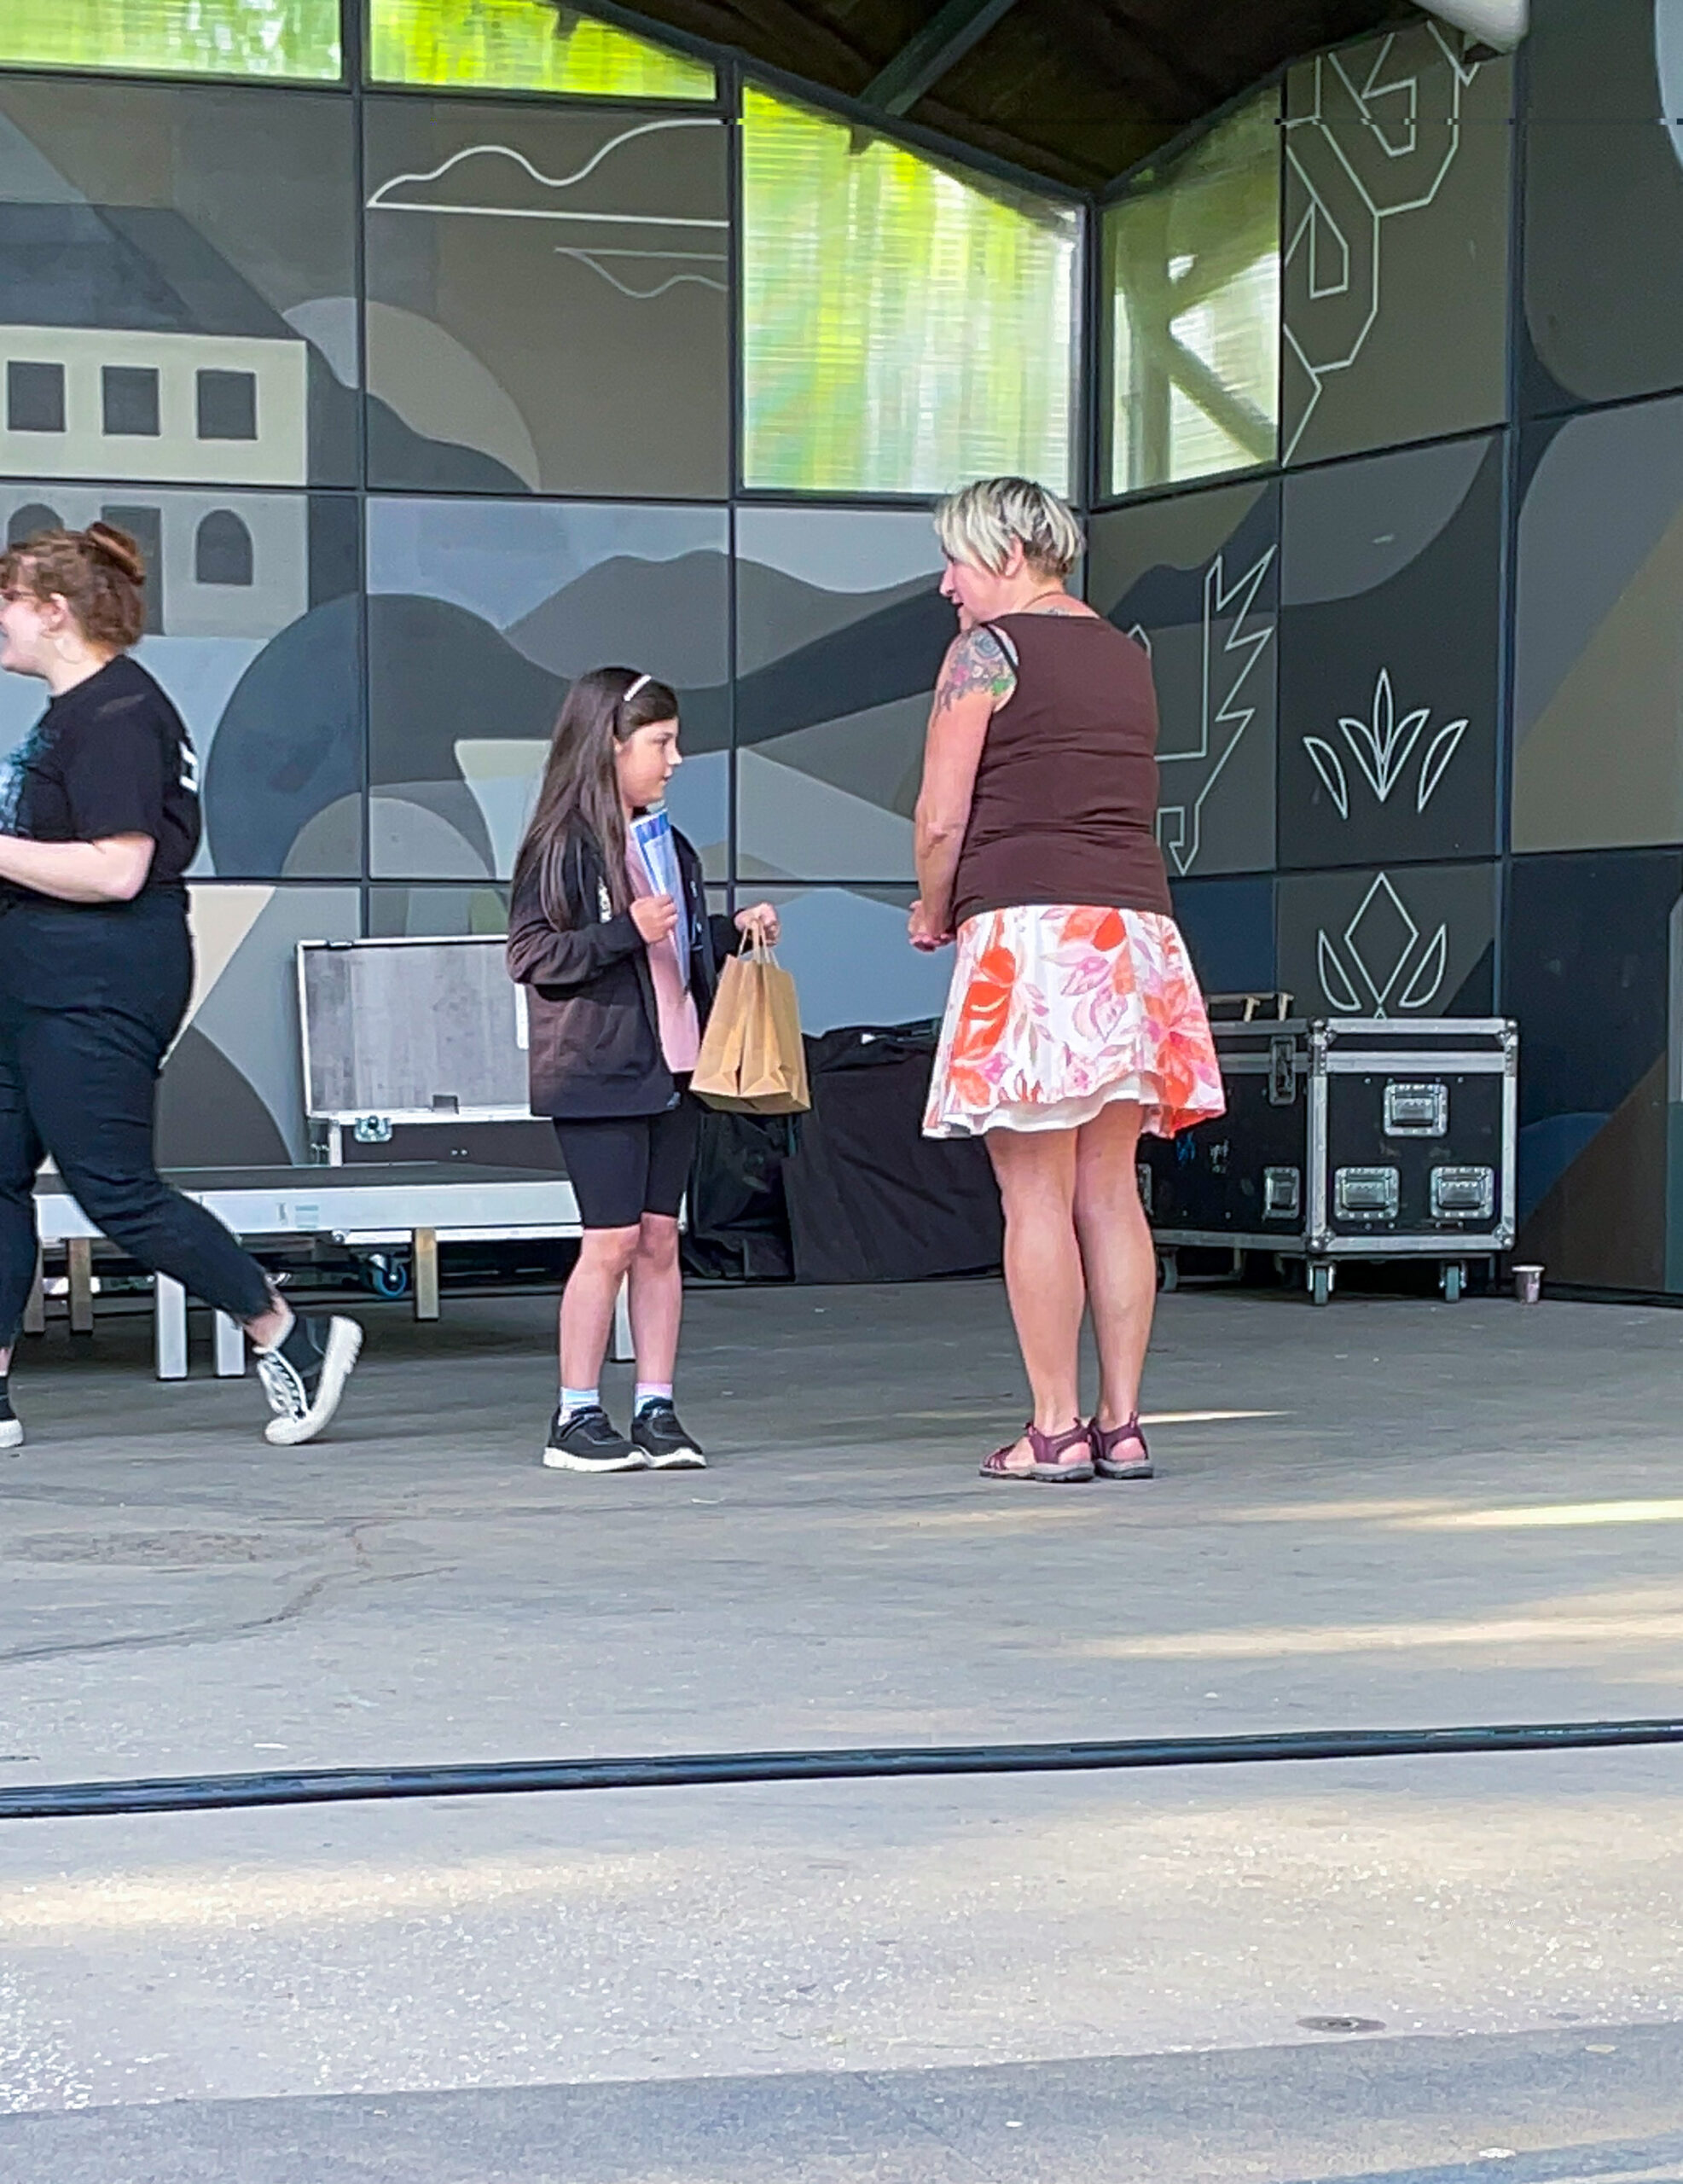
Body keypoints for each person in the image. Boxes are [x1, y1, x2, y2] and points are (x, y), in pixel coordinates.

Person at [0, 523, 361, 1450]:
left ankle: (289, 1333)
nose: (0, 619)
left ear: (54, 611)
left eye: (8, 601)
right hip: (34, 976)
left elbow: (119, 869)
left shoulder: (118, 715)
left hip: (96, 980)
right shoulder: (80, 711)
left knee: (114, 1189)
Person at [910, 478, 1224, 1484]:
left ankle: (1051, 1429)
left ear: (1007, 554)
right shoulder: (1125, 655)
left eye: (956, 560)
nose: (946, 585)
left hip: (1032, 933)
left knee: (1032, 1188)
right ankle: (1121, 1422)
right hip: (1134, 932)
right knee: (1111, 1187)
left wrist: (932, 908)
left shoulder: (984, 653)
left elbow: (940, 818)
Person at [508, 666, 779, 1474]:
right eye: (660, 743)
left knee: (661, 1237)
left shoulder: (669, 845)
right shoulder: (562, 845)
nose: (673, 760)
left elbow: (677, 945)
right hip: (598, 1068)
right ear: (611, 745)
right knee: (611, 1238)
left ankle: (656, 1406)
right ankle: (576, 1412)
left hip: (675, 1063)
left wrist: (731, 932)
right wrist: (625, 930)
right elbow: (531, 955)